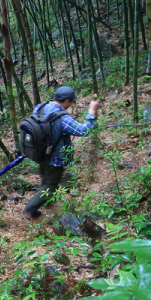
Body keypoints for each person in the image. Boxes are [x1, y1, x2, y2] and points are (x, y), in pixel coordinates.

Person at [24, 86, 99, 218]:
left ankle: (45, 201)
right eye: (71, 102)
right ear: (67, 101)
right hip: (54, 158)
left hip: (40, 152)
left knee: (46, 179)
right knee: (50, 186)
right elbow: (84, 130)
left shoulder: (41, 107)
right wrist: (92, 110)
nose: (71, 105)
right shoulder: (62, 118)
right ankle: (31, 208)